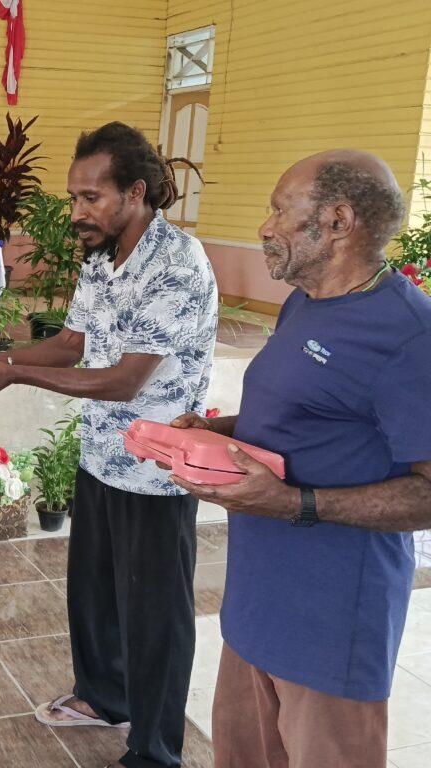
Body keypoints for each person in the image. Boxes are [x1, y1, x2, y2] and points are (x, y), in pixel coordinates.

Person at [0, 122, 218, 768]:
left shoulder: (178, 264)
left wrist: (14, 376)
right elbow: (73, 343)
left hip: (155, 472)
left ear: (136, 193)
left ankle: (155, 750)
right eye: (74, 197)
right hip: (101, 456)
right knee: (95, 594)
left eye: (90, 198)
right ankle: (104, 698)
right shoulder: (102, 257)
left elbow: (126, 379)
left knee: (154, 615)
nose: (77, 212)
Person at [165, 150, 431, 768]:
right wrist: (213, 433)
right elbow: (301, 414)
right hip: (256, 600)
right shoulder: (304, 301)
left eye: (281, 210)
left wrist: (295, 503)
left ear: (338, 221)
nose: (265, 226)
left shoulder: (409, 336)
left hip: (332, 619)